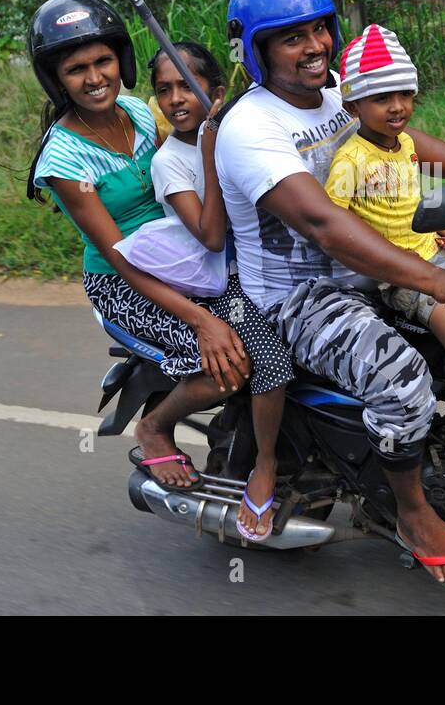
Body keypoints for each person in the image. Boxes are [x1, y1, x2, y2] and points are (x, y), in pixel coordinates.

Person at [214, 0, 445, 589]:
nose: (314, 46)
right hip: (300, 295)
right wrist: (433, 279)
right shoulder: (250, 127)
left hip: (372, 267)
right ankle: (414, 514)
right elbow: (321, 223)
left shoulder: (338, 92)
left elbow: (401, 140)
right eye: (291, 37)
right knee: (402, 380)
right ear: (257, 49)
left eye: (319, 29)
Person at [25, 0, 251, 493]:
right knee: (228, 364)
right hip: (126, 282)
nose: (94, 77)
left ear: (120, 61)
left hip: (192, 258)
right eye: (76, 68)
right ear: (56, 79)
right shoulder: (64, 162)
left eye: (103, 60)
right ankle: (154, 428)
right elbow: (122, 260)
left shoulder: (139, 112)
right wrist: (203, 321)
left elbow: (192, 149)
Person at [324, 24, 445, 527]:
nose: (397, 105)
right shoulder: (351, 159)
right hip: (399, 276)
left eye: (405, 92)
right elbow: (332, 227)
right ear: (354, 106)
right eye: (381, 96)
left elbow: (412, 205)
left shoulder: (404, 145)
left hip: (433, 250)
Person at [144, 42, 292, 541]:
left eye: (187, 85)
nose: (175, 99)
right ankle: (265, 466)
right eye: (165, 90)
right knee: (268, 360)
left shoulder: (244, 133)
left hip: (265, 262)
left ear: (219, 92)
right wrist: (210, 152)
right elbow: (209, 236)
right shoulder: (172, 162)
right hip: (217, 281)